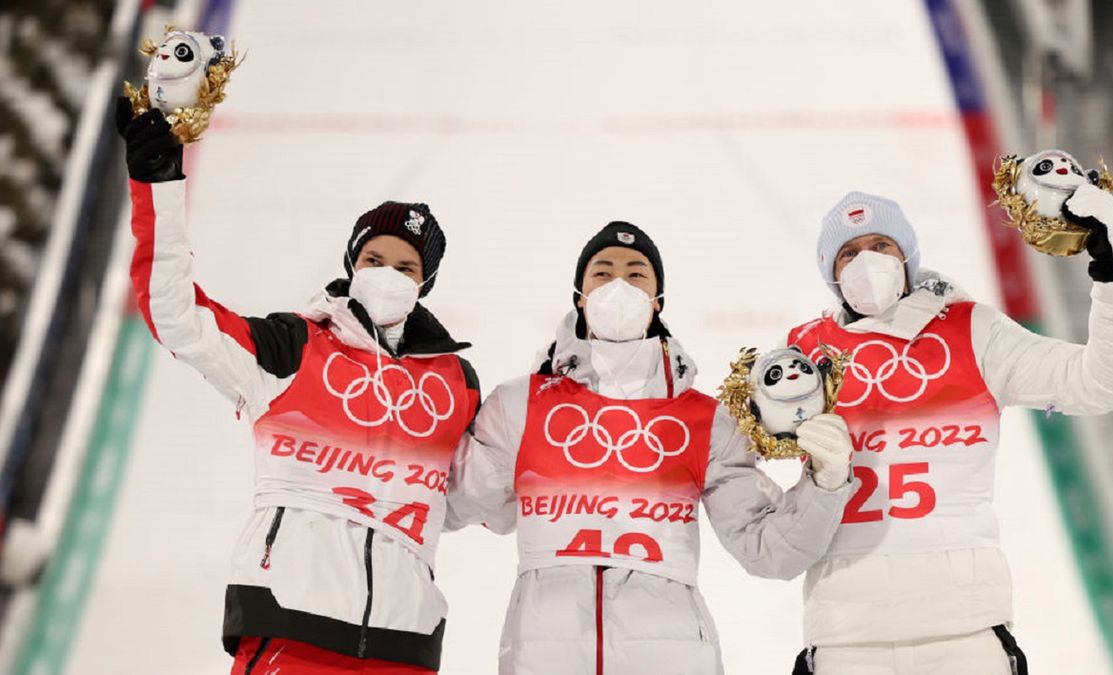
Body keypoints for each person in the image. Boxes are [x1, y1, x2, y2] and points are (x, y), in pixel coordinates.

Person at [116, 98, 480, 674]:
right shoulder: (294, 346)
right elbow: (177, 315)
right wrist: (157, 182)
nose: (387, 274)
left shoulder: (455, 383)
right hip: (291, 625)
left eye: (406, 267)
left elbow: (475, 494)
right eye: (374, 258)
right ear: (352, 263)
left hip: (402, 645)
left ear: (424, 283)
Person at [446, 221, 854, 675]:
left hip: (672, 657)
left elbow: (768, 551)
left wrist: (826, 481)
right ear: (579, 296)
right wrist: (435, 419)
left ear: (658, 300)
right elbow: (449, 502)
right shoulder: (520, 405)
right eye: (602, 273)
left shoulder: (703, 420)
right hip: (544, 657)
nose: (618, 284)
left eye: (637, 274)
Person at [786, 190, 1113, 674]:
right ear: (831, 273)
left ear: (908, 256)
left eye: (881, 245)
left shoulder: (972, 330)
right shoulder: (804, 354)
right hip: (847, 641)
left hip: (965, 635)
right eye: (848, 253)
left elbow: (1100, 384)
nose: (866, 262)